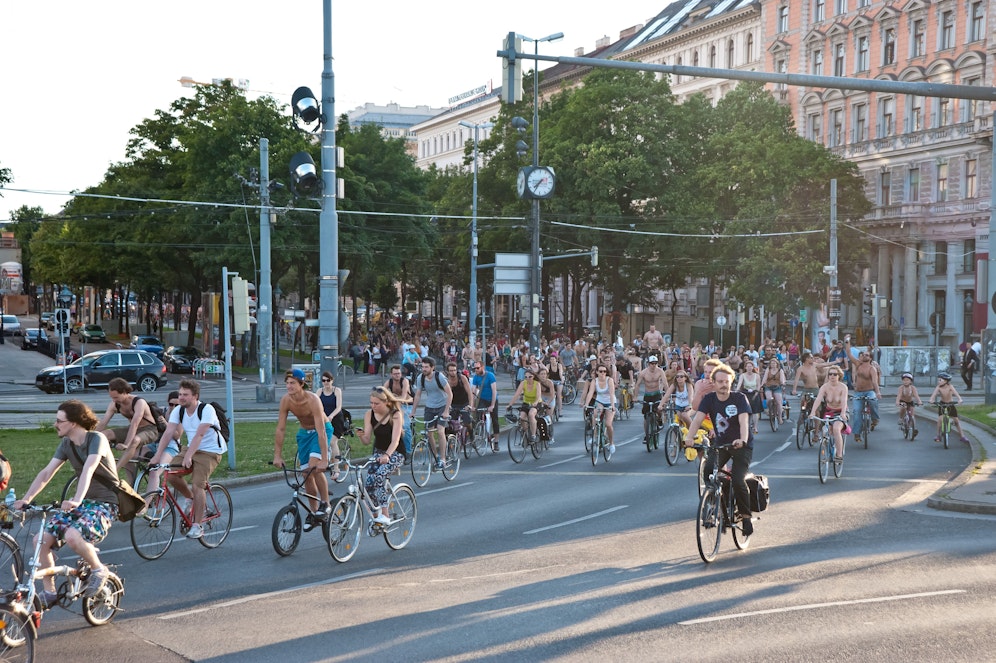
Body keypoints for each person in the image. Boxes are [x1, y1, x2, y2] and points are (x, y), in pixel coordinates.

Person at [14, 400, 118, 605]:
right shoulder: (66, 444)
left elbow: (89, 468)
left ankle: (99, 569)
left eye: (59, 421)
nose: (56, 424)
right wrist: (27, 498)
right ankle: (49, 592)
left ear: (73, 423)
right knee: (39, 541)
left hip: (104, 502)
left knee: (72, 535)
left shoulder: (96, 439)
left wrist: (77, 499)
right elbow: (47, 472)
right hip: (82, 502)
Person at [682, 365, 755, 537]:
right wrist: (689, 438)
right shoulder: (709, 399)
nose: (724, 385)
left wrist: (742, 440)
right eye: (720, 382)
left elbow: (744, 422)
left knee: (738, 479)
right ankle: (720, 508)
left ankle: (746, 517)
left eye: (727, 382)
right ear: (713, 383)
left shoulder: (739, 398)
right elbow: (698, 419)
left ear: (731, 382)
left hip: (741, 445)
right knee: (709, 471)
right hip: (720, 444)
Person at [149, 379, 227, 538]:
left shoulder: (207, 409)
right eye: (180, 394)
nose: (181, 397)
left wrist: (189, 456)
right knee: (170, 474)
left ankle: (198, 526)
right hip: (190, 448)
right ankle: (190, 498)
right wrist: (158, 456)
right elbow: (169, 432)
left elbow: (200, 434)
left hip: (210, 451)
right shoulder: (179, 410)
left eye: (185, 395)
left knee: (198, 485)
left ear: (195, 396)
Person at [273, 369, 336, 529]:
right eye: (287, 383)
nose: (289, 386)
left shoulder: (313, 400)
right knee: (305, 473)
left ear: (301, 384)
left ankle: (325, 504)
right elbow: (280, 429)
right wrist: (277, 455)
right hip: (304, 434)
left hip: (321, 430)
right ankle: (314, 513)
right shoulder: (286, 400)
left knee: (314, 467)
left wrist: (324, 458)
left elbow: (321, 430)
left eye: (292, 383)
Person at [95, 377, 162, 484]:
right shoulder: (115, 404)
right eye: (112, 397)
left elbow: (135, 423)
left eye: (116, 397)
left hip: (150, 430)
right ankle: (101, 464)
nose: (114, 400)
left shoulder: (139, 402)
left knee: (134, 441)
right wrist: (91, 437)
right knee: (103, 435)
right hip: (132, 429)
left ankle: (114, 471)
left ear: (125, 392)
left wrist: (126, 444)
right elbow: (104, 422)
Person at [356, 386, 405, 525]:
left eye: (376, 403)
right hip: (378, 452)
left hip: (395, 452)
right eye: (371, 403)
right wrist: (361, 436)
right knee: (368, 485)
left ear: (386, 403)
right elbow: (367, 441)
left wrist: (387, 456)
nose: (373, 406)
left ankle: (386, 515)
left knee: (379, 476)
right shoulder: (369, 414)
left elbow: (395, 440)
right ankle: (377, 518)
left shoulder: (395, 414)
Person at [410, 357, 453, 471]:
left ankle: (443, 458)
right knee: (429, 433)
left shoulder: (440, 377)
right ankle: (436, 456)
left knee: (440, 430)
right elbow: (418, 395)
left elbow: (450, 394)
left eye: (426, 367)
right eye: (422, 367)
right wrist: (413, 412)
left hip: (442, 406)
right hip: (430, 407)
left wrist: (446, 411)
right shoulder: (420, 378)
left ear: (432, 368)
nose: (423, 369)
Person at [809, 365, 848, 459]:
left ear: (839, 375)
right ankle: (827, 449)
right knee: (825, 431)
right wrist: (813, 412)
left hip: (840, 411)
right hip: (829, 411)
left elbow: (844, 401)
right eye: (830, 374)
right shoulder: (824, 387)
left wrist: (843, 413)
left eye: (835, 374)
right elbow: (818, 399)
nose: (832, 376)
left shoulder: (843, 387)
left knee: (836, 429)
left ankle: (839, 455)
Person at [579, 364, 617, 457]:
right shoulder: (594, 381)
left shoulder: (609, 380)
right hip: (599, 401)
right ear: (597, 372)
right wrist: (587, 404)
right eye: (600, 371)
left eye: (604, 371)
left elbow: (612, 394)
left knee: (608, 424)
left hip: (609, 402)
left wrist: (612, 406)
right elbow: (590, 393)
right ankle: (595, 435)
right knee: (595, 414)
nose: (603, 373)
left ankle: (611, 443)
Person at [928, 372, 970, 443]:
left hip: (950, 404)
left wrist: (959, 399)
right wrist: (931, 400)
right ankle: (938, 435)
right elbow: (934, 394)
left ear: (946, 381)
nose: (939, 381)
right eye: (938, 380)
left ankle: (962, 436)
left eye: (940, 380)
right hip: (942, 404)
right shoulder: (938, 387)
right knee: (940, 419)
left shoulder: (950, 386)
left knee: (956, 421)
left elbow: (956, 394)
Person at [317, 370, 350, 460]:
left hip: (336, 420)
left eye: (328, 380)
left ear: (332, 380)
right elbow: (316, 405)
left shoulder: (337, 391)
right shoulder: (319, 391)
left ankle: (336, 468)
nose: (326, 383)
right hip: (323, 419)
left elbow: (338, 407)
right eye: (323, 381)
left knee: (332, 441)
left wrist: (331, 416)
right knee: (319, 440)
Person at [385, 365, 414, 461]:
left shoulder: (404, 381)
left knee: (405, 426)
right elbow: (381, 391)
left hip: (407, 405)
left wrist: (392, 398)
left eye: (399, 373)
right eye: (395, 374)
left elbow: (403, 396)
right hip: (396, 404)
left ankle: (408, 452)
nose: (397, 375)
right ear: (391, 374)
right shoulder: (389, 382)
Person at [509, 368, 545, 443]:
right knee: (521, 417)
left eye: (530, 377)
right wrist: (510, 405)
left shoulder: (537, 384)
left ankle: (533, 435)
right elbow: (517, 394)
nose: (528, 378)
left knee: (531, 414)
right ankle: (526, 434)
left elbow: (538, 396)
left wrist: (535, 403)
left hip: (537, 403)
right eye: (526, 377)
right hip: (526, 403)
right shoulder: (523, 383)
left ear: (533, 377)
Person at [849, 349, 881, 434]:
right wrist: (847, 342)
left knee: (873, 400)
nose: (864, 356)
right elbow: (849, 354)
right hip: (858, 392)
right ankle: (857, 434)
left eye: (866, 355)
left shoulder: (872, 369)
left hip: (869, 391)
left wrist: (877, 392)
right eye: (863, 355)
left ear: (870, 358)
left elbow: (874, 382)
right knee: (856, 412)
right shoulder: (858, 365)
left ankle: (874, 418)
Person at [471, 360, 500, 451]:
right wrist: (472, 405)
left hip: (492, 399)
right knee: (477, 416)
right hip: (482, 399)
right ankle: (479, 433)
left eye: (478, 368)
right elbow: (473, 391)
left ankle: (496, 442)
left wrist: (492, 405)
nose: (476, 370)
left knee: (495, 419)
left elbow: (494, 391)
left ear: (482, 367)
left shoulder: (490, 376)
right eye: (474, 368)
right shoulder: (476, 377)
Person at [894, 372, 923, 440]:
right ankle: (901, 418)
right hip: (902, 401)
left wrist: (919, 401)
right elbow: (899, 395)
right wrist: (897, 402)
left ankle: (914, 427)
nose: (905, 382)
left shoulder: (913, 388)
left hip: (910, 402)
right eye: (904, 380)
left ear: (911, 381)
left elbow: (916, 395)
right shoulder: (901, 388)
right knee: (903, 407)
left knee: (912, 414)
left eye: (907, 380)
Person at [760, 358, 787, 424]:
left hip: (777, 387)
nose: (773, 365)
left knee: (778, 401)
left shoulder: (780, 370)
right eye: (772, 363)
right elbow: (765, 378)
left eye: (774, 363)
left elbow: (782, 379)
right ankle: (770, 409)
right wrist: (761, 385)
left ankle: (780, 417)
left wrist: (783, 383)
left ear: (777, 364)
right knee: (768, 398)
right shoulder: (768, 370)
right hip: (768, 386)